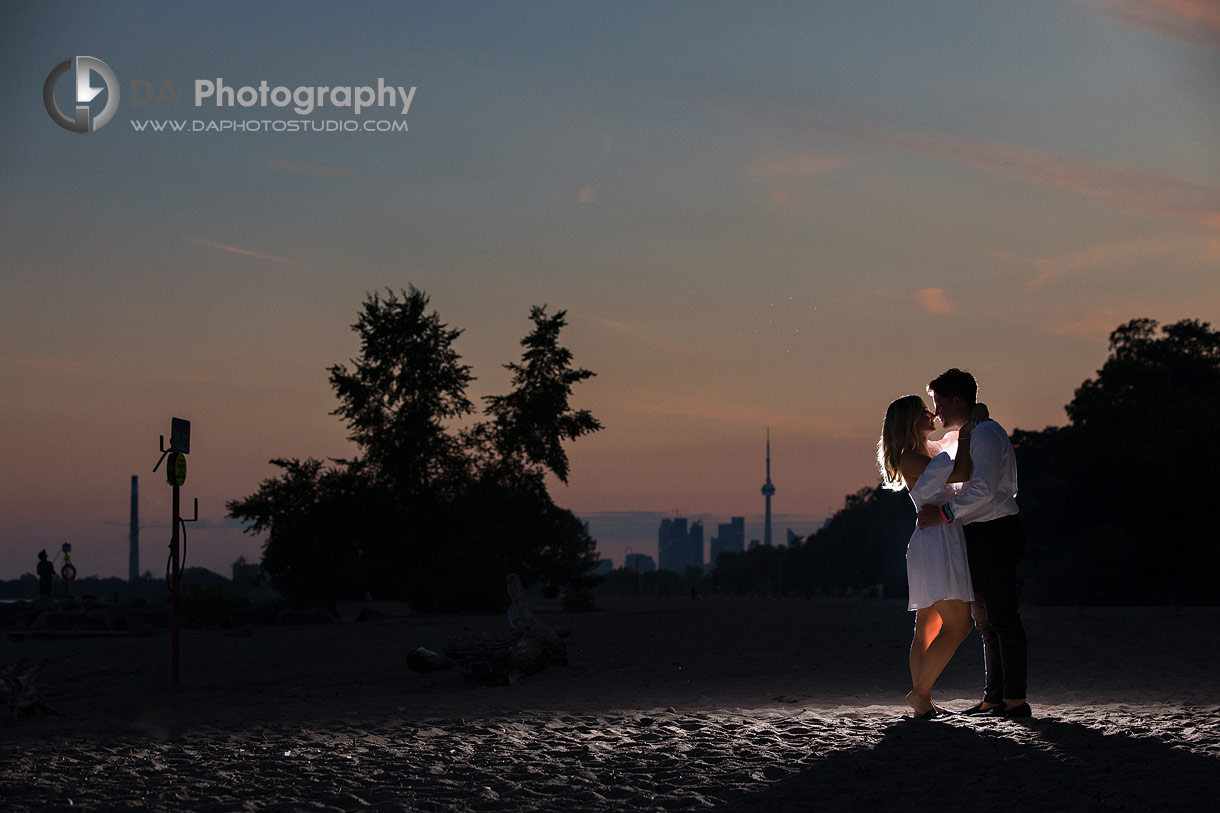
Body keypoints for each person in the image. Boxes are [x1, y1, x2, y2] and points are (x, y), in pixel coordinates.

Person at [918, 368, 1030, 719]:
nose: (936, 414)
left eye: (939, 404)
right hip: (979, 533)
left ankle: (1014, 699)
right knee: (986, 621)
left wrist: (945, 513)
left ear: (957, 399)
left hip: (995, 530)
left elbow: (983, 489)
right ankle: (994, 697)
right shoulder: (972, 433)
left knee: (1003, 618)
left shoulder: (987, 433)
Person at [878, 394, 980, 719]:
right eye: (925, 412)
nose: (932, 414)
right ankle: (920, 693)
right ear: (911, 421)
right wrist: (965, 434)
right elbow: (961, 469)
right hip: (936, 542)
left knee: (927, 625)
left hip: (936, 537)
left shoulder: (930, 450)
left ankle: (922, 700)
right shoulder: (911, 458)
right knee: (958, 626)